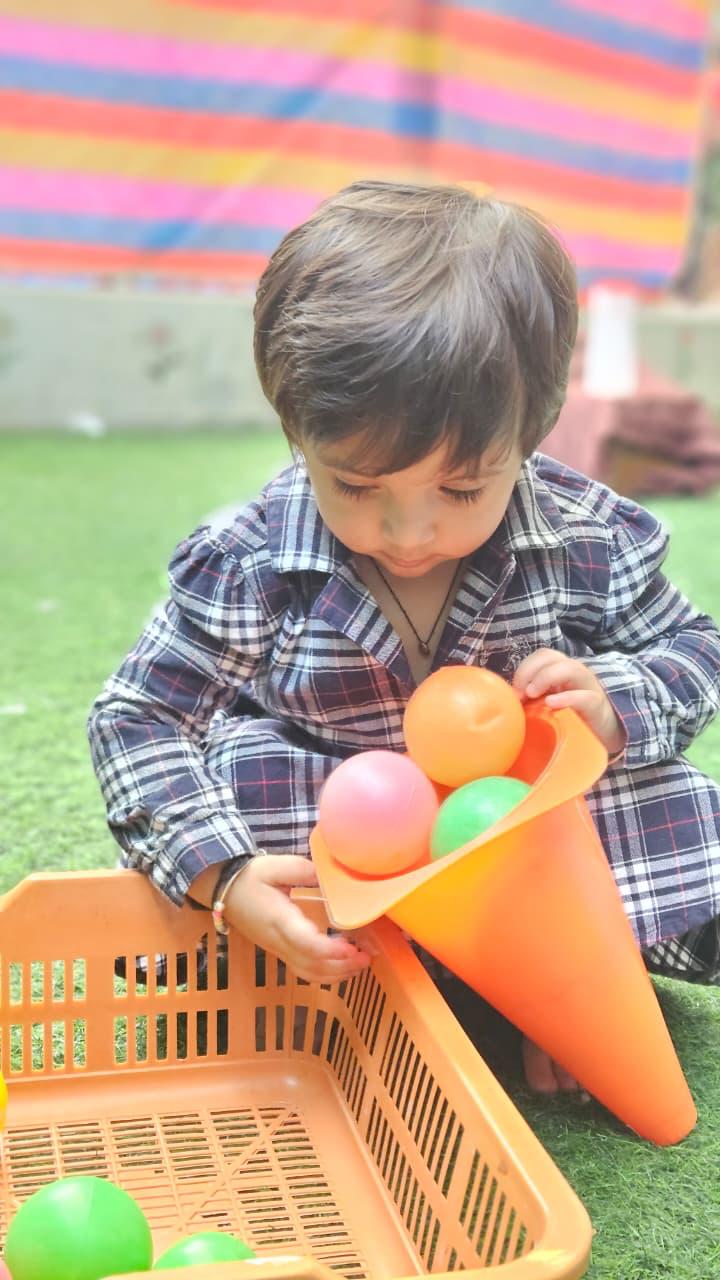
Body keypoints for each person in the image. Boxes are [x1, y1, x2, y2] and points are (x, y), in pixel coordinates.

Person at [88, 180, 720, 1094]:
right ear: (298, 434)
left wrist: (619, 703)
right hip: (343, 855)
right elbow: (140, 716)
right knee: (230, 788)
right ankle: (341, 979)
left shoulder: (585, 535)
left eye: (461, 491)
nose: (411, 532)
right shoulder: (250, 557)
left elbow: (695, 649)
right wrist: (224, 877)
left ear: (533, 433)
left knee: (677, 803)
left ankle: (547, 985)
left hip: (515, 852)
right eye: (357, 487)